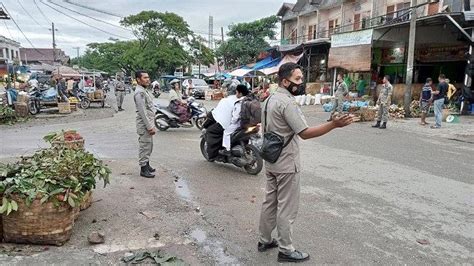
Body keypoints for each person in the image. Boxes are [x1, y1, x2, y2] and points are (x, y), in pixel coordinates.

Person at [258, 63, 353, 263]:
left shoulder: (268, 100)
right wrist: (333, 124)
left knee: (270, 201)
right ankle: (285, 249)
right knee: (286, 207)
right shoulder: (287, 103)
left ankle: (265, 240)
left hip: (271, 160)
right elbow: (305, 133)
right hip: (286, 163)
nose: (301, 83)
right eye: (298, 79)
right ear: (285, 81)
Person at [206, 83, 239, 159]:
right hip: (240, 125)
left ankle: (213, 154)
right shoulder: (240, 99)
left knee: (210, 131)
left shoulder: (225, 100)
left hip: (228, 125)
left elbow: (216, 113)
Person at [133, 70, 156, 178]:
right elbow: (142, 112)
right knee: (145, 146)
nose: (148, 79)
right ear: (138, 79)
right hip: (144, 124)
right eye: (145, 78)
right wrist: (149, 126)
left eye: (148, 77)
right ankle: (143, 169)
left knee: (149, 145)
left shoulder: (144, 90)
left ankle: (146, 164)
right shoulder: (139, 92)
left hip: (148, 123)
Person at [222, 85, 249, 154]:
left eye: (237, 92)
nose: (236, 94)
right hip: (250, 122)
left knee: (226, 132)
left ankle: (227, 149)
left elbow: (235, 117)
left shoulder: (239, 102)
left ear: (240, 93)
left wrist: (231, 122)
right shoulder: (249, 99)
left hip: (239, 123)